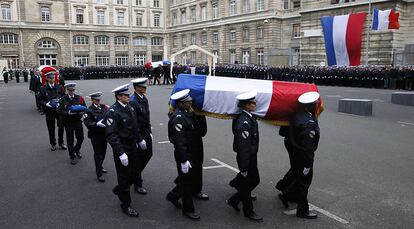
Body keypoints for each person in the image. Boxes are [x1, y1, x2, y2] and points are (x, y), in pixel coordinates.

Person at [277, 91, 320, 219]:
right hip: (303, 155)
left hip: (295, 151)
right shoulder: (309, 122)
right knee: (304, 182)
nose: (317, 107)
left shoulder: (296, 115)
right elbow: (308, 147)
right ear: (310, 106)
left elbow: (284, 132)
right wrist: (308, 164)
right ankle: (302, 210)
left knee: (297, 175)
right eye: (315, 105)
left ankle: (286, 195)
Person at [106, 84, 141, 217]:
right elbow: (111, 135)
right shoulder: (113, 112)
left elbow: (134, 125)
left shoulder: (130, 107)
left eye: (128, 95)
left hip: (132, 145)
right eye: (126, 95)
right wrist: (120, 153)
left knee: (135, 170)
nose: (129, 96)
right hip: (122, 147)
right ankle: (126, 205)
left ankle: (120, 189)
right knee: (124, 177)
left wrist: (139, 140)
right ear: (119, 97)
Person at [227, 91, 262, 222]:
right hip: (247, 158)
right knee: (248, 185)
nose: (255, 104)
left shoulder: (249, 117)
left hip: (251, 156)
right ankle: (248, 211)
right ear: (246, 106)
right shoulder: (244, 123)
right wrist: (244, 167)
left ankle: (234, 200)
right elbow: (243, 147)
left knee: (254, 180)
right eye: (253, 103)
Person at [166, 89, 200, 221]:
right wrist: (184, 160)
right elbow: (179, 142)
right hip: (184, 154)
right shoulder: (178, 119)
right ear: (181, 103)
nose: (191, 102)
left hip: (190, 152)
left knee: (187, 179)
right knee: (187, 183)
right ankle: (188, 210)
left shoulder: (186, 113)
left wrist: (192, 114)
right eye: (188, 101)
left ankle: (173, 196)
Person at [130, 78, 152, 195]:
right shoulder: (133, 101)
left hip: (145, 131)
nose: (145, 88)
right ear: (137, 88)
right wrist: (139, 139)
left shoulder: (143, 98)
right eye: (143, 87)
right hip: (138, 133)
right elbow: (134, 122)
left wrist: (149, 131)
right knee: (139, 158)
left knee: (148, 154)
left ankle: (133, 174)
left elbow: (146, 117)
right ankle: (137, 182)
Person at [57, 83, 86, 165]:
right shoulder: (63, 99)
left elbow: (84, 107)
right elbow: (59, 111)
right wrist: (68, 113)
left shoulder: (79, 98)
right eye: (70, 90)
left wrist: (82, 112)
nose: (72, 92)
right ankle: (72, 156)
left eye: (73, 90)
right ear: (67, 90)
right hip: (68, 122)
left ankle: (76, 149)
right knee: (70, 140)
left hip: (77, 121)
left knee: (81, 137)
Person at [83, 92, 109, 182]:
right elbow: (87, 122)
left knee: (104, 152)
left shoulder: (103, 107)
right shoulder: (89, 110)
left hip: (104, 134)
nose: (98, 101)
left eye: (99, 100)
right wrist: (96, 124)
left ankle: (100, 166)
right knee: (98, 154)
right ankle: (99, 173)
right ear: (92, 100)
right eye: (96, 100)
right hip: (95, 135)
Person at [38, 71, 66, 151]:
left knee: (61, 126)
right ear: (47, 78)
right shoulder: (43, 88)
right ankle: (53, 143)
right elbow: (39, 100)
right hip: (49, 111)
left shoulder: (59, 87)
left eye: (53, 77)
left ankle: (61, 143)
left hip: (58, 110)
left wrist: (60, 103)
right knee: (51, 128)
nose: (52, 79)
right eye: (50, 78)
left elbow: (64, 97)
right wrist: (46, 104)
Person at [191, 113, 209, 200]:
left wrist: (201, 116)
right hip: (187, 144)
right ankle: (174, 194)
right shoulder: (182, 114)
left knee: (197, 166)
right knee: (188, 170)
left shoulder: (199, 114)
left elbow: (203, 131)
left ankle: (196, 190)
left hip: (197, 142)